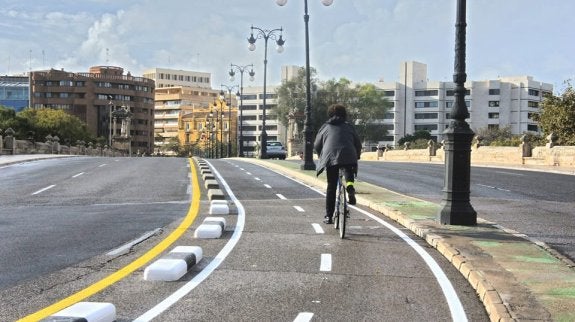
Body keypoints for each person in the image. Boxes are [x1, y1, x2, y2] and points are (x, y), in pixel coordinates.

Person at [314, 104, 362, 224]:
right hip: (349, 154)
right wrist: (357, 155)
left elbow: (317, 144)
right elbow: (358, 143)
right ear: (344, 114)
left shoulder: (325, 127)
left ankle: (329, 216)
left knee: (331, 186)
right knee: (348, 169)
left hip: (330, 157)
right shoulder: (349, 127)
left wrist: (320, 155)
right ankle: (350, 187)